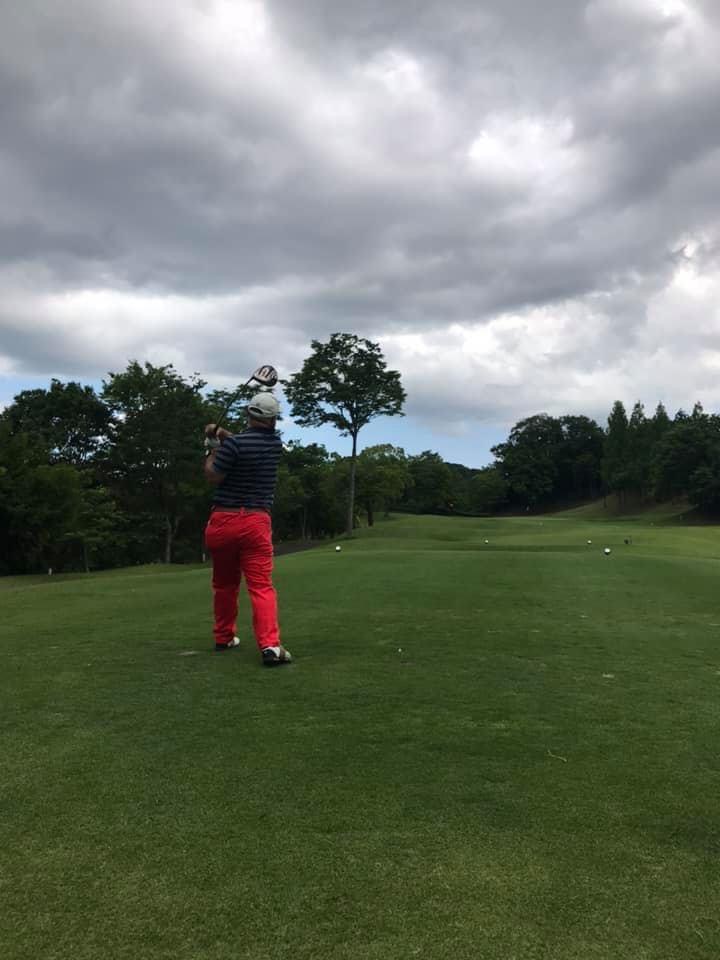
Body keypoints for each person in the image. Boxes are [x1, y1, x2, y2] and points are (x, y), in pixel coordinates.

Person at [203, 392, 291, 667]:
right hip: (255, 522)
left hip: (223, 521)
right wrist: (223, 436)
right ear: (273, 419)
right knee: (261, 586)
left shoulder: (234, 445)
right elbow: (242, 444)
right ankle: (270, 646)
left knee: (224, 585)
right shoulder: (275, 444)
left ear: (248, 414)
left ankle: (223, 637)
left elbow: (213, 475)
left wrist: (212, 448)